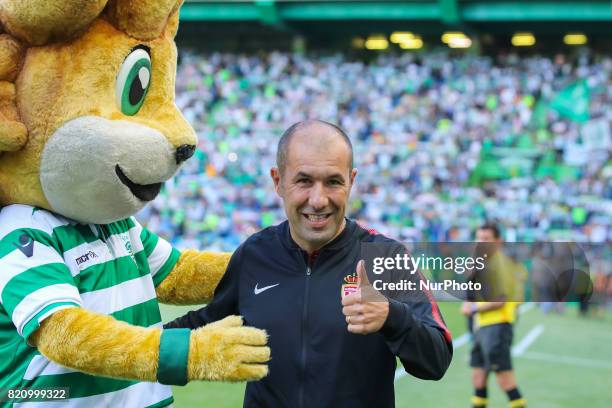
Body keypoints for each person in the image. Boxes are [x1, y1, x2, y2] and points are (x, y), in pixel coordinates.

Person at [166, 119, 453, 407]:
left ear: (351, 181)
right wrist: (137, 340)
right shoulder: (255, 254)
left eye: (333, 182)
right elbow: (206, 324)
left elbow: (437, 359)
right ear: (278, 181)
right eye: (304, 181)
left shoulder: (385, 257)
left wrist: (391, 317)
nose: (318, 200)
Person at [461, 224, 526, 408]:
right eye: (478, 238)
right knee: (478, 377)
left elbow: (500, 300)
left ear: (498, 241)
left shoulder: (500, 264)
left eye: (486, 238)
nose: (481, 242)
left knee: (505, 379)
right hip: (483, 326)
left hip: (498, 325)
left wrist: (473, 309)